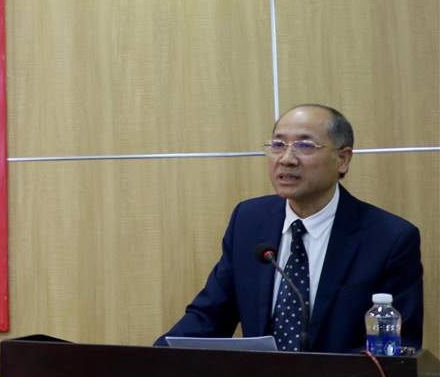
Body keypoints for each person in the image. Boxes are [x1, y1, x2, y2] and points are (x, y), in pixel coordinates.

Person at [159, 104, 423, 352]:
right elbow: (210, 316)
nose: (286, 159)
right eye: (277, 145)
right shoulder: (248, 221)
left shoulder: (389, 239)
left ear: (342, 159)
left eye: (304, 146)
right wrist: (153, 361)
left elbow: (398, 346)